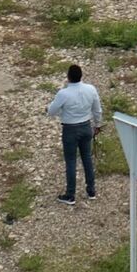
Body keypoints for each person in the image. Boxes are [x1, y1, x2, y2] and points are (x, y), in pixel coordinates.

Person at [47, 64, 102, 205]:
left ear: (68, 77)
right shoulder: (91, 89)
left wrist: (59, 111)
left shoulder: (63, 93)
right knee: (87, 158)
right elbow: (97, 109)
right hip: (86, 126)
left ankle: (70, 194)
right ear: (81, 75)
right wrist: (97, 125)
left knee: (71, 161)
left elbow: (51, 111)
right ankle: (91, 190)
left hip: (70, 129)